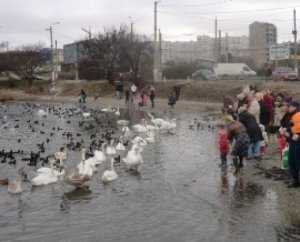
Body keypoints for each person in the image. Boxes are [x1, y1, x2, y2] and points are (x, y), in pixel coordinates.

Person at [284, 101, 300, 188]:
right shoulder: (292, 115)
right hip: (293, 142)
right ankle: (295, 181)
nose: (288, 108)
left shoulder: (298, 115)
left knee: (296, 162)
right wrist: (287, 133)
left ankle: (296, 181)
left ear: (294, 107)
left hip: (297, 143)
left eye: (289, 106)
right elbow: (292, 128)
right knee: (292, 161)